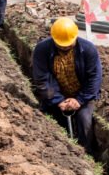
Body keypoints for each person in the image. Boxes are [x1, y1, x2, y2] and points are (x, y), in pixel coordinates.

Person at [31, 17, 102, 152]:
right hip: (54, 97)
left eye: (69, 44)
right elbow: (42, 79)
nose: (65, 47)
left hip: (82, 95)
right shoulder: (42, 50)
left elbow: (94, 78)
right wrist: (58, 100)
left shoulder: (88, 49)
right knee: (55, 127)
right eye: (61, 46)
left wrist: (79, 100)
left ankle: (87, 154)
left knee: (84, 122)